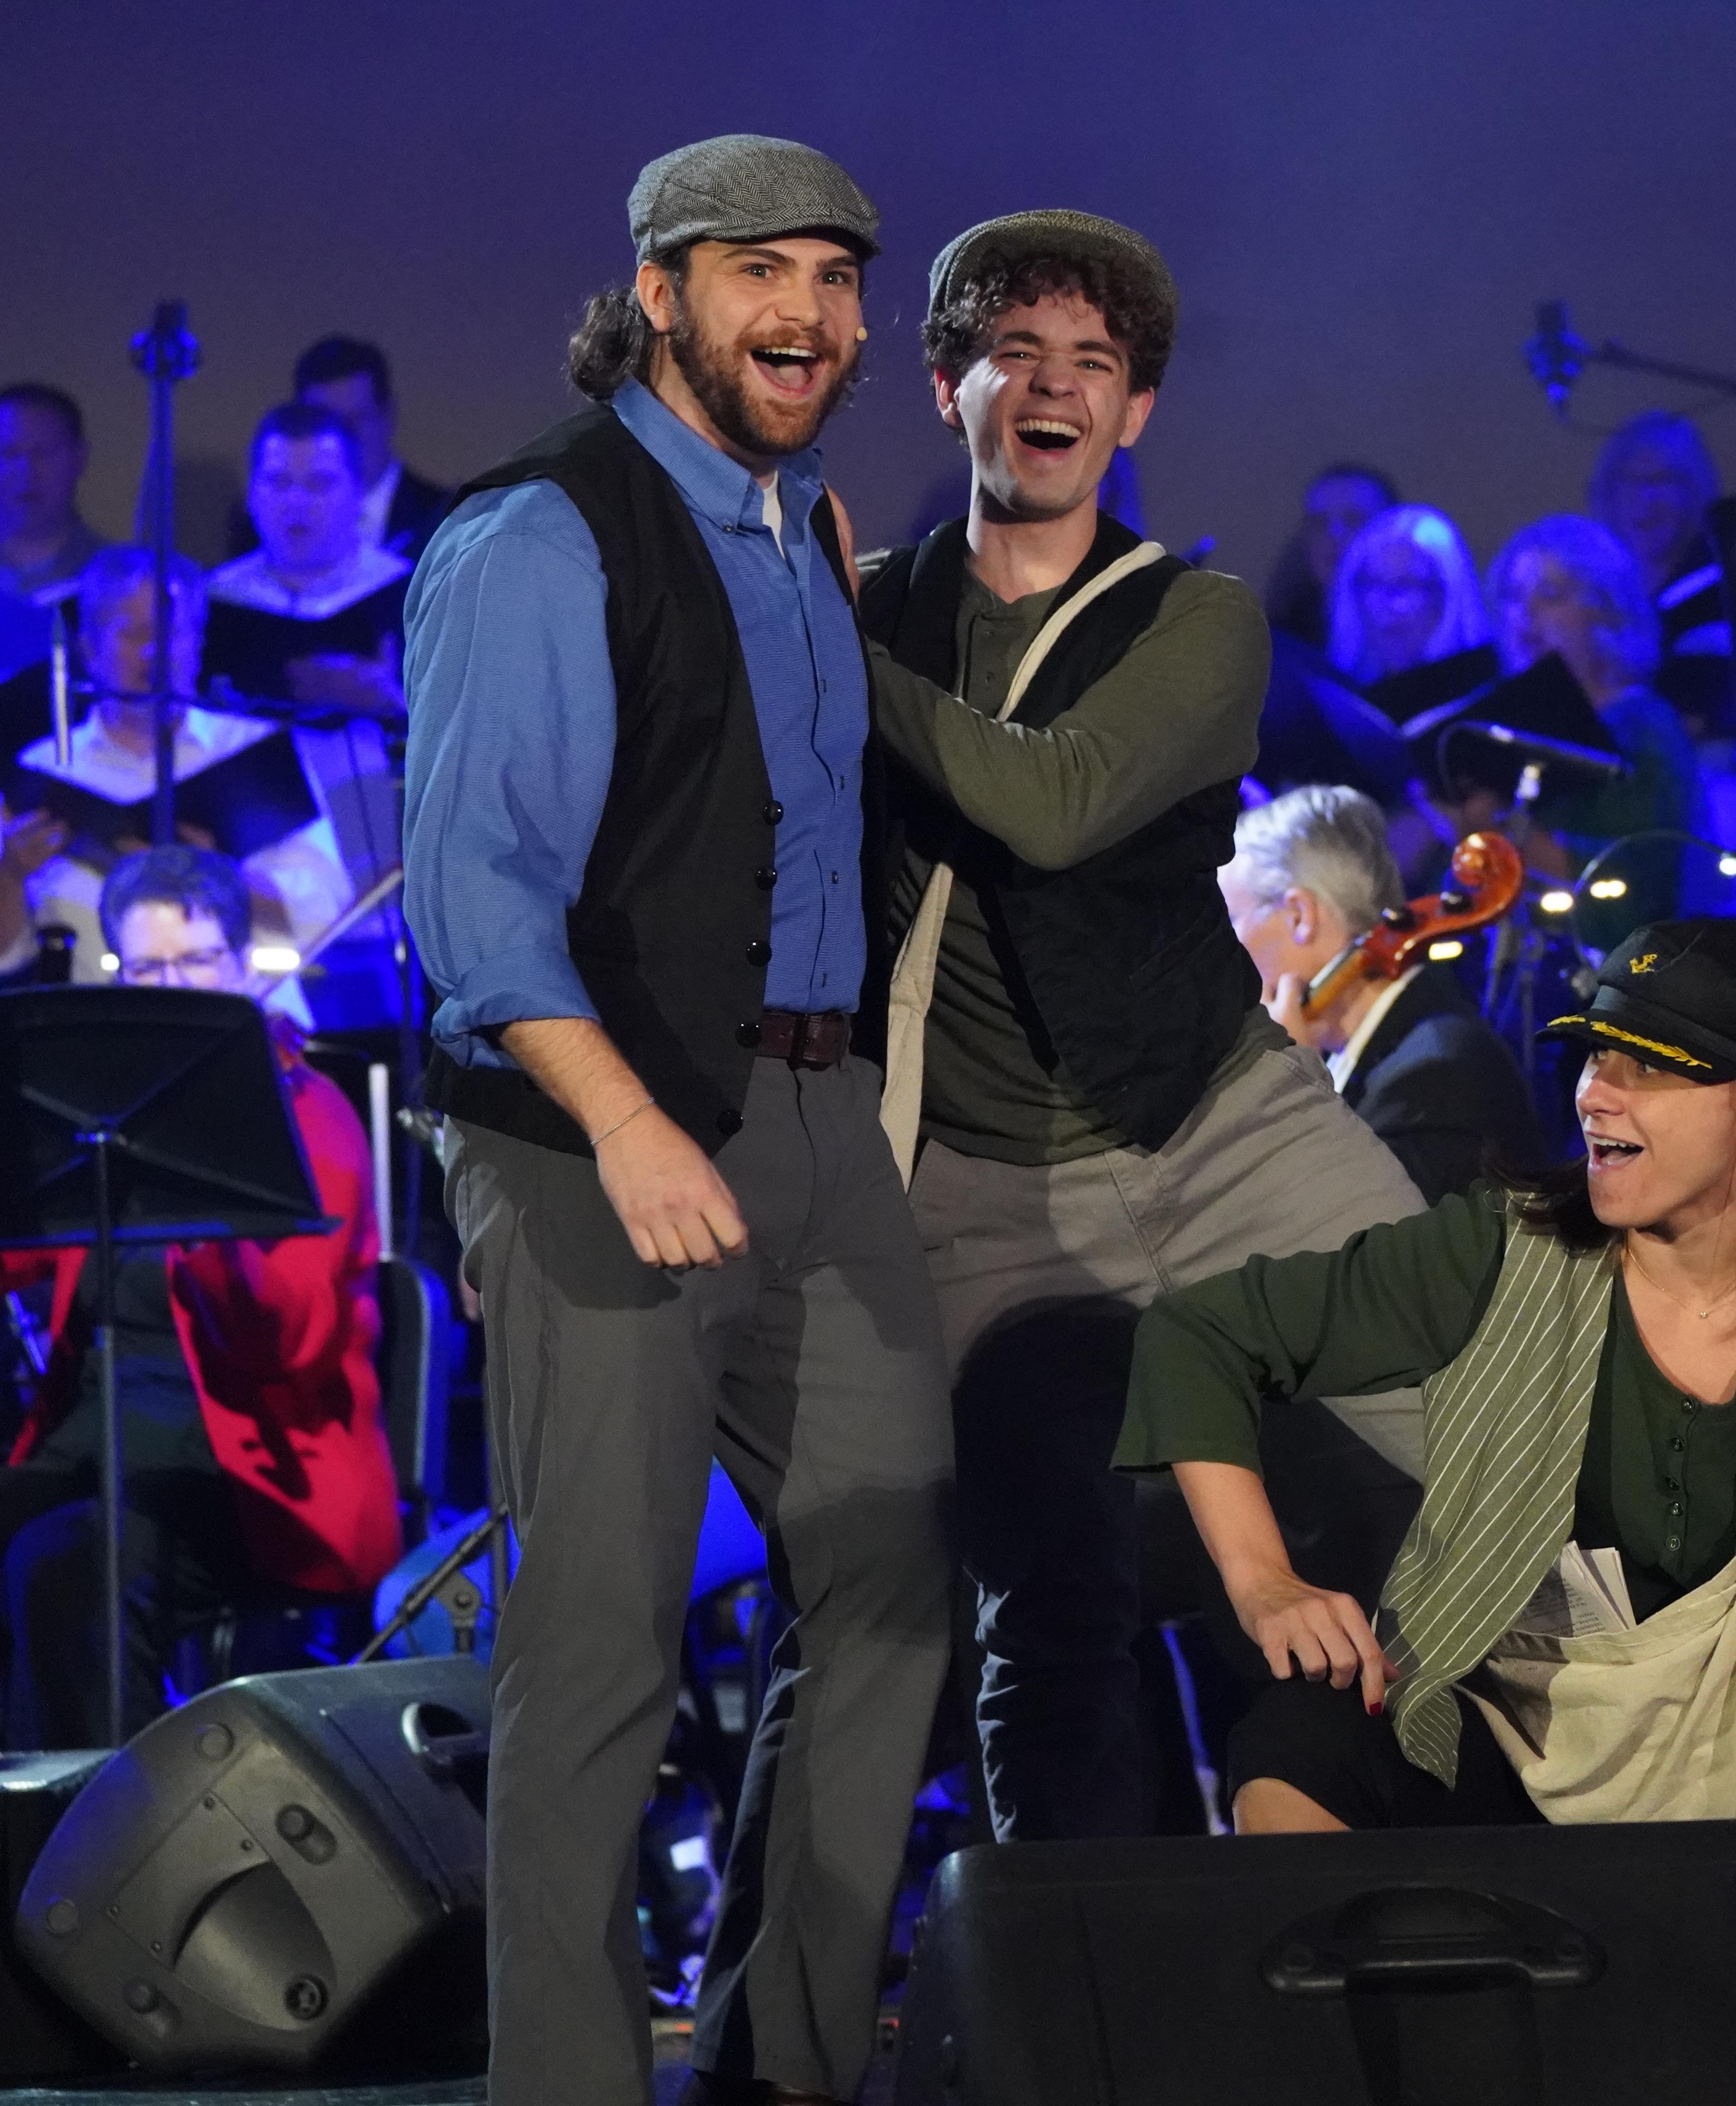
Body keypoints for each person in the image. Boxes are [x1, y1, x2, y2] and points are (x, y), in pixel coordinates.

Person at [1118, 918, 1736, 2090]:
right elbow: (1203, 1335)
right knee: (1297, 1744)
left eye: (1648, 1065)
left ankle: (1652, 2063)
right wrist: (1263, 1578)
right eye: (1596, 1055)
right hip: (1509, 1753)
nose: (1598, 1091)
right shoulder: (1500, 1250)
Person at [401, 134, 949, 2106]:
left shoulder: (806, 527)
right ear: (659, 292)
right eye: (758, 273)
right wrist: (630, 1121)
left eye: (834, 276)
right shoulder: (542, 533)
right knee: (607, 1637)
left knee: (890, 1577)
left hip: (810, 1120)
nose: (806, 313)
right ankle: (563, 2084)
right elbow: (476, 891)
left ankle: (777, 2061)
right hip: (595, 1135)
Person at [850, 208, 1431, 1847]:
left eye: (1091, 366)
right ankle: (1087, 1983)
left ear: (1136, 410)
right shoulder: (864, 610)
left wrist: (828, 638)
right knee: (1045, 1572)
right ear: (947, 384)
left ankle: (1653, 1862)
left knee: (1500, 1456)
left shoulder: (1197, 619)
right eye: (1013, 355)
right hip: (983, 1202)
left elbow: (1056, 805)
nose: (1051, 388)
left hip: (1221, 1132)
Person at [0, 847, 394, 1749]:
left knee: (63, 1571)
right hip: (95, 1451)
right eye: (147, 968)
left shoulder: (306, 1108)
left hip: (248, 1476)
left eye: (195, 964)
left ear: (240, 964)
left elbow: (285, 1344)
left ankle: (112, 1857)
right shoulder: (100, 1113)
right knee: (44, 1545)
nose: (169, 987)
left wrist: (203, 1200)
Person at [11, 546, 357, 1009]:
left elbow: (322, 914)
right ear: (89, 649)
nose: (154, 651)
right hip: (97, 1033)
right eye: (134, 634)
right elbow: (9, 957)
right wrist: (10, 875)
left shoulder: (253, 753)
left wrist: (218, 878)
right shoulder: (45, 770)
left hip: (253, 1024)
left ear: (198, 641)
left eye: (171, 632)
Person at [1220, 783, 1542, 1203]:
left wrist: (1294, 1093)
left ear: (1300, 915)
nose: (1224, 948)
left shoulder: (1439, 1074)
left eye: (1231, 920)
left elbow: (1365, 1241)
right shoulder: (1355, 1054)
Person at [1481, 513, 1704, 877]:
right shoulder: (1505, 723)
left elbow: (1627, 882)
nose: (1525, 615)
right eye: (1513, 597)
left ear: (1606, 610)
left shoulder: (1642, 725)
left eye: (1550, 596)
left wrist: (1495, 827)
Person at [205, 401, 410, 720]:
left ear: (358, 493)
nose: (297, 502)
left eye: (319, 484)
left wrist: (390, 703)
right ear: (251, 495)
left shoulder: (413, 596)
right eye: (279, 482)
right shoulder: (212, 602)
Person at [1589, 410, 1731, 724]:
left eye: (1663, 480)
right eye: (1630, 480)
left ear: (1695, 490)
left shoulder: (1717, 597)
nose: (1645, 499)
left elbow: (1694, 720)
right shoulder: (1597, 597)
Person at [292, 336, 458, 559]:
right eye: (327, 427)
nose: (340, 442)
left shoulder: (442, 519)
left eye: (356, 421)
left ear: (388, 415)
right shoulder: (266, 528)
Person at [1327, 503, 1492, 699]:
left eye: (1405, 585)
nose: (1386, 604)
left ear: (1446, 596)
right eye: (1373, 583)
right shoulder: (1340, 698)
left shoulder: (1482, 697)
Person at [0, 383, 105, 686]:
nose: (26, 471)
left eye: (42, 454)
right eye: (9, 453)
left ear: (78, 459)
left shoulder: (118, 581)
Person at [1265, 461, 1398, 645]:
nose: (1334, 534)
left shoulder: (1416, 638)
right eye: (1320, 523)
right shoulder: (1277, 645)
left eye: (1354, 520)